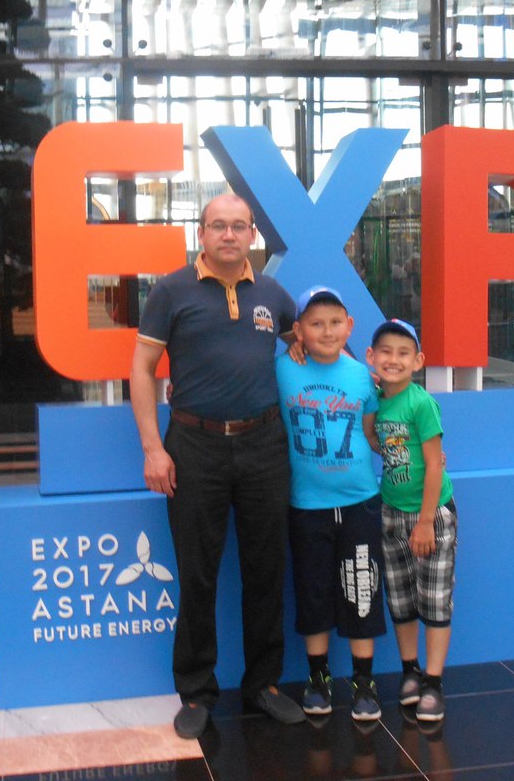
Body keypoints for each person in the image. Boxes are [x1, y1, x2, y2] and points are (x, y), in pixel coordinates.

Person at [130, 193, 305, 740]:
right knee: (198, 572)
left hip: (264, 446)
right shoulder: (171, 291)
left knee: (266, 570)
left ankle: (263, 685)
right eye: (218, 226)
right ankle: (196, 691)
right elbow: (142, 368)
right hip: (193, 447)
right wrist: (153, 449)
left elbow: (308, 348)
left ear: (252, 234)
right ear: (201, 233)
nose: (229, 235)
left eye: (238, 226)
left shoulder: (273, 295)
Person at [274, 286, 385, 722]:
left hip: (360, 503)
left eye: (335, 322)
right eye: (316, 324)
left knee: (362, 591)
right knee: (313, 590)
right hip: (307, 505)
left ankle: (363, 682)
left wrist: (415, 452)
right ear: (298, 330)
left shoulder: (362, 377)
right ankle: (318, 678)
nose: (327, 331)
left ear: (349, 326)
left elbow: (373, 434)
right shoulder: (282, 370)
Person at [366, 318, 456, 723]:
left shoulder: (421, 404)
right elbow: (376, 440)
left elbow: (435, 464)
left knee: (433, 599)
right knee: (400, 598)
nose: (394, 359)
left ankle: (433, 682)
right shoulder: (376, 401)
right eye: (386, 351)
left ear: (418, 361)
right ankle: (410, 671)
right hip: (390, 511)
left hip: (430, 514)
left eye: (404, 353)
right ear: (372, 357)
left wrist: (425, 522)